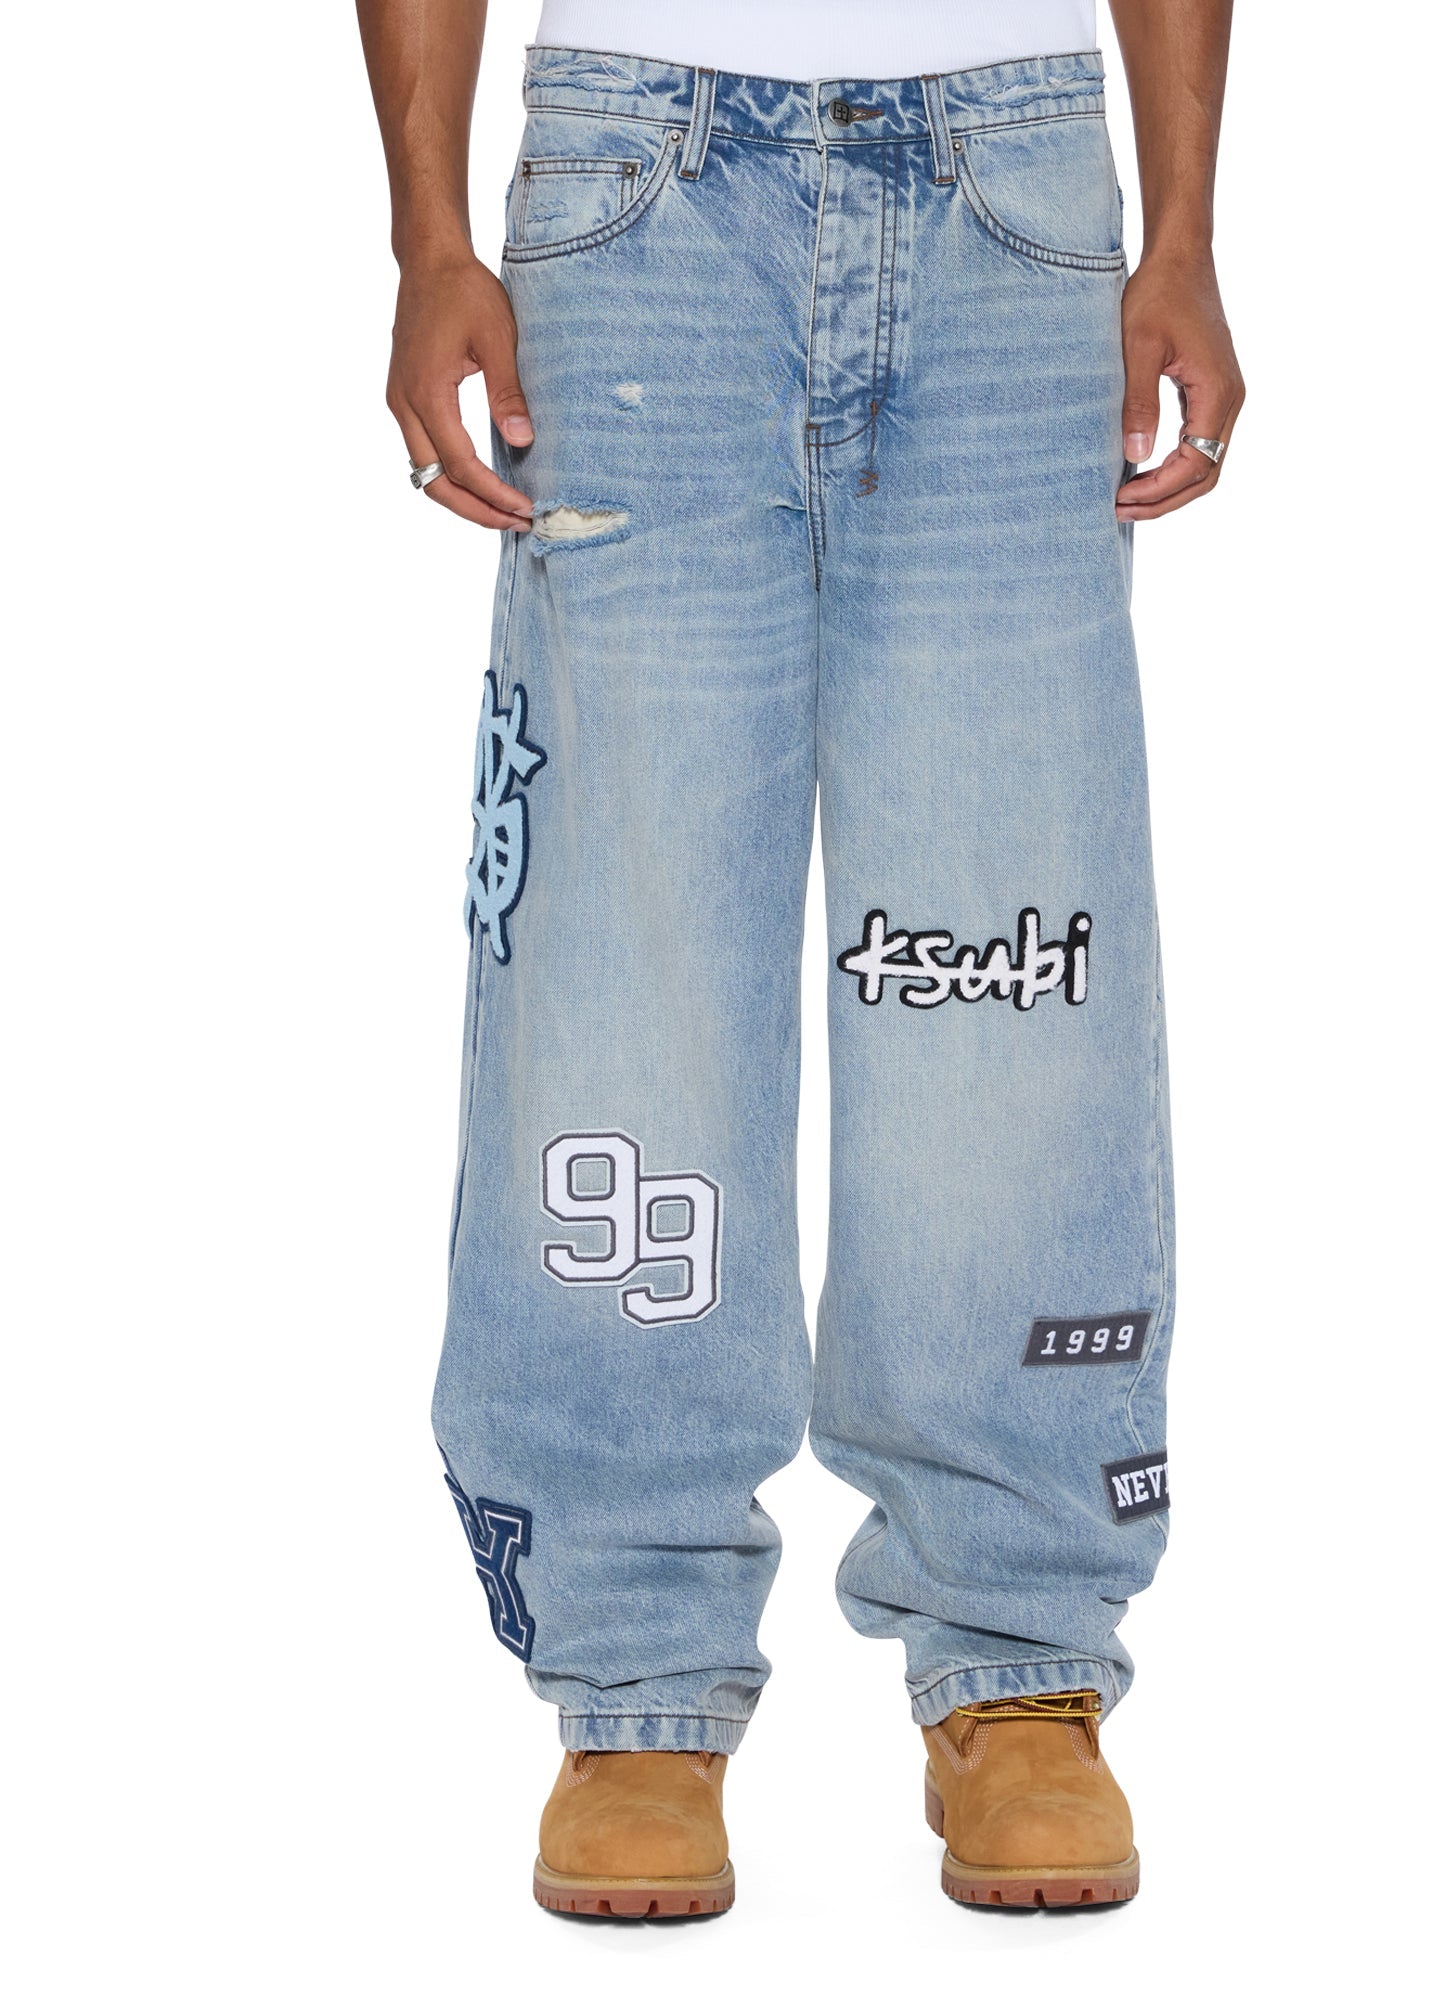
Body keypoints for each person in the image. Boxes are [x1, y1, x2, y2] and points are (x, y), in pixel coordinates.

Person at [357, 0, 1242, 1917]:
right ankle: (635, 1677)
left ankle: (1018, 1655)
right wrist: (429, 237)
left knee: (1004, 945)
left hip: (1015, 187)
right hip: (636, 188)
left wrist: (1183, 228)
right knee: (626, 945)